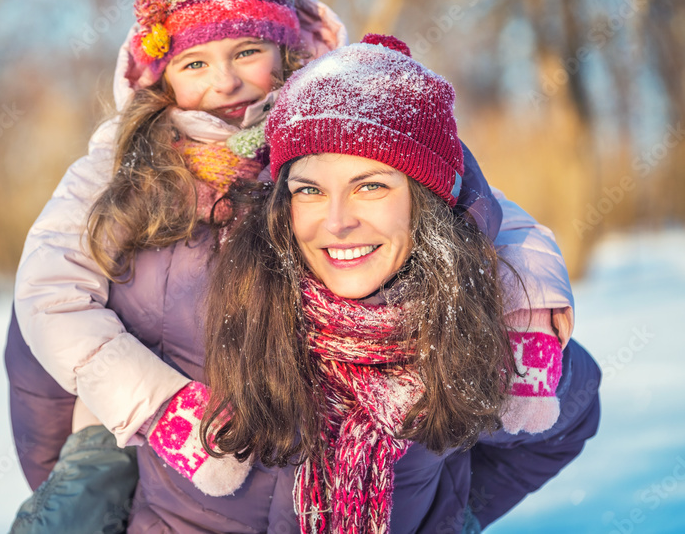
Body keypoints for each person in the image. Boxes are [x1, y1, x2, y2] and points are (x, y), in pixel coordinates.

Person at [4, 0, 575, 532]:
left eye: (247, 51)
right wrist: (147, 420)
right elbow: (49, 299)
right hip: (173, 468)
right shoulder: (117, 171)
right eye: (195, 62)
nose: (226, 82)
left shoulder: (327, 129)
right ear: (159, 73)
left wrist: (530, 305)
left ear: (287, 45)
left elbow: (482, 210)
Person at [201, 35, 601, 534]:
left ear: (424, 200)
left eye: (371, 186)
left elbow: (572, 417)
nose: (337, 221)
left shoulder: (471, 329)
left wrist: (452, 516)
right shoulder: (234, 306)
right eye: (310, 190)